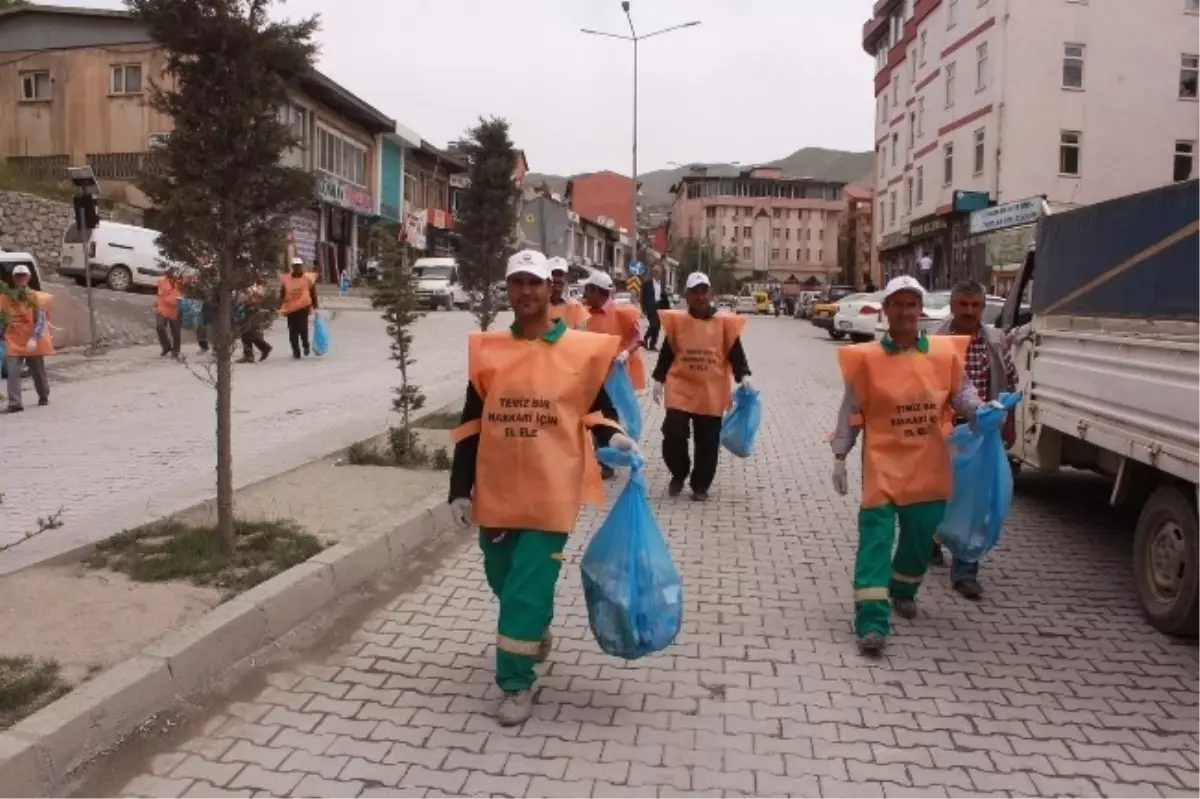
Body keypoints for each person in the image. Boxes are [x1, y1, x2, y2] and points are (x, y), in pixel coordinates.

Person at [446, 248, 639, 726]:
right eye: (518, 282)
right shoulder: (489, 353)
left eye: (535, 282)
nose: (527, 291)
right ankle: (534, 626)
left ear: (549, 289)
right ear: (508, 290)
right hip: (497, 491)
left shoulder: (575, 350)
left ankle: (515, 683)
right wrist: (459, 488)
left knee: (525, 588)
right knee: (503, 578)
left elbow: (595, 410)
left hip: (551, 494)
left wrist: (612, 434)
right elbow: (472, 424)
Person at [830, 275, 1002, 657]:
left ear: (920, 310)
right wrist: (841, 455)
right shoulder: (867, 359)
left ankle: (903, 588)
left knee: (919, 537)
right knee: (875, 541)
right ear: (886, 310)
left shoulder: (943, 355)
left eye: (912, 304)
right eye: (898, 304)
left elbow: (963, 394)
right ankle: (872, 622)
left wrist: (981, 411)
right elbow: (851, 410)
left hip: (927, 466)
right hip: (882, 466)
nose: (905, 311)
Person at [928, 280, 1018, 600]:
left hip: (982, 431)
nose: (968, 311)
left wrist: (1009, 425)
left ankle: (965, 570)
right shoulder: (935, 340)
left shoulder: (994, 340)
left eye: (974, 306)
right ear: (952, 306)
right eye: (963, 305)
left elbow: (1010, 381)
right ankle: (930, 542)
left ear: (982, 308)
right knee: (938, 494)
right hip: (943, 430)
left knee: (975, 499)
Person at [652, 271, 752, 502]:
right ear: (687, 296)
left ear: (711, 293)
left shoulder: (724, 324)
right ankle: (679, 471)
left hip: (711, 389)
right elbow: (667, 352)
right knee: (673, 432)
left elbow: (736, 353)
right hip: (681, 386)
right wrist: (658, 378)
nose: (700, 296)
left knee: (707, 441)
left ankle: (700, 484)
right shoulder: (678, 323)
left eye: (704, 291)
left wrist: (743, 374)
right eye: (695, 292)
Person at [0, 264, 52, 412]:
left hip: (30, 341)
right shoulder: (5, 297)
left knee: (38, 372)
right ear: (13, 278)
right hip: (13, 341)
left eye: (23, 276)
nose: (20, 278)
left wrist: (34, 338)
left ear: (28, 278)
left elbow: (40, 320)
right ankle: (15, 403)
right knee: (13, 373)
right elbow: (2, 318)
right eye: (18, 276)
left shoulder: (35, 297)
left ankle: (43, 395)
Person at [280, 257, 318, 359]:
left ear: (301, 266)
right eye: (295, 266)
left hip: (303, 309)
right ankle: (296, 351)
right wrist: (281, 306)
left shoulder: (307, 279)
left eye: (299, 266)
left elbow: (313, 292)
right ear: (292, 267)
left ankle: (305, 345)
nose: (297, 268)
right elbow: (283, 293)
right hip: (291, 309)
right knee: (293, 332)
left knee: (303, 330)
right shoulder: (287, 279)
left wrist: (315, 305)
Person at [237, 279, 273, 363]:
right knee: (247, 333)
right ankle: (251, 354)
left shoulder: (253, 287)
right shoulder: (246, 288)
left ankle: (262, 349)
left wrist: (251, 303)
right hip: (245, 309)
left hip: (250, 310)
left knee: (248, 333)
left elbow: (259, 297)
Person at [547, 257, 587, 329]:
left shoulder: (576, 307)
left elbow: (581, 336)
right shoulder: (539, 306)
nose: (557, 279)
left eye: (560, 275)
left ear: (566, 277)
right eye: (553, 274)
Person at [641, 264, 671, 351]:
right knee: (654, 325)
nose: (657, 273)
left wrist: (667, 309)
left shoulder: (662, 284)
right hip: (651, 307)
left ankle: (652, 345)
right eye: (655, 272)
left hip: (660, 306)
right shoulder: (647, 284)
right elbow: (643, 298)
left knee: (657, 327)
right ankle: (645, 338)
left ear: (661, 273)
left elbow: (664, 297)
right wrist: (644, 309)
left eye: (658, 272)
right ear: (652, 273)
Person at [155, 270, 183, 359]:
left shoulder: (181, 285)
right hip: (163, 308)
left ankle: (175, 350)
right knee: (159, 327)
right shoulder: (162, 282)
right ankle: (166, 346)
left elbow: (180, 299)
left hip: (175, 309)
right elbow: (160, 295)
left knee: (175, 331)